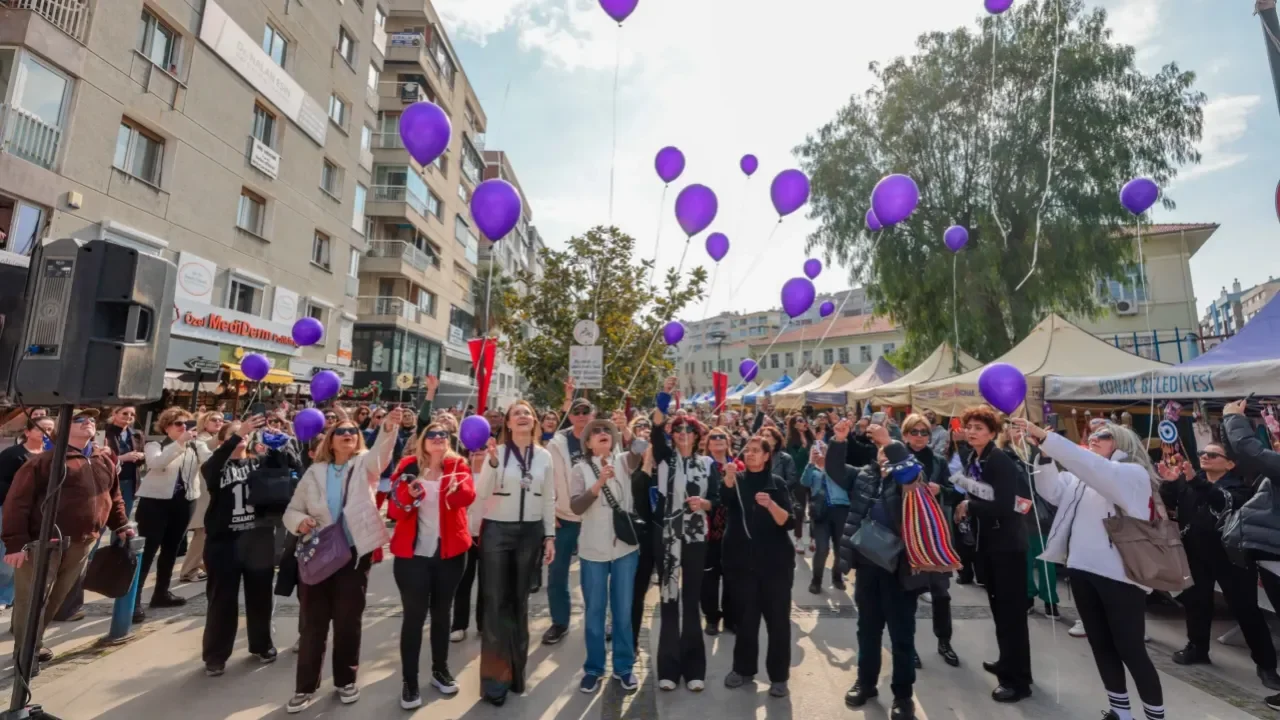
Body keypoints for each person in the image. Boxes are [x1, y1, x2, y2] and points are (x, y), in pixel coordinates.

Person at [1014, 417, 1166, 720]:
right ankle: (1120, 712)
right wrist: (1044, 455)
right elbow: (1052, 491)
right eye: (1092, 435)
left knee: (1131, 650)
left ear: (1122, 443)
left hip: (1120, 576)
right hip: (1082, 569)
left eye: (1104, 435)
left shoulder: (1131, 473)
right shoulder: (1084, 476)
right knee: (1100, 645)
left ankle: (1155, 716)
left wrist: (1048, 439)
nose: (1094, 438)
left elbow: (1098, 470)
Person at [282, 408, 402, 713]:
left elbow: (381, 457)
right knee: (313, 625)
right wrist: (302, 522)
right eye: (341, 432)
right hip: (319, 555)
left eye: (353, 432)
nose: (348, 435)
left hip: (352, 554)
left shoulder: (364, 464)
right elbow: (291, 511)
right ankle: (304, 687)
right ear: (330, 441)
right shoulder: (314, 472)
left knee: (349, 622)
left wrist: (388, 429)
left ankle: (346, 680)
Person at [3, 409, 133, 670]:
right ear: (61, 429)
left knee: (57, 599)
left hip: (83, 541)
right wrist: (15, 543)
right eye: (79, 419)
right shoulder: (44, 462)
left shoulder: (102, 459)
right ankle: (24, 654)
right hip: (44, 542)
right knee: (32, 599)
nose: (89, 423)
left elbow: (113, 495)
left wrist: (120, 524)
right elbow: (17, 503)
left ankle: (34, 643)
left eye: (92, 420)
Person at [1158, 442, 1279, 686]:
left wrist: (1193, 482)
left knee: (1246, 610)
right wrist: (1170, 482)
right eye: (1202, 453)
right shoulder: (1192, 480)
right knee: (1196, 603)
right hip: (1196, 553)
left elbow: (1223, 501)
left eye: (1212, 455)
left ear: (1230, 463)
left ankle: (1266, 666)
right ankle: (1197, 648)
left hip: (1232, 557)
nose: (1205, 457)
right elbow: (1170, 502)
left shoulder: (1241, 488)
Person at [832, 421, 925, 720]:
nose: (884, 453)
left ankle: (903, 696)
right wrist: (839, 439)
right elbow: (834, 470)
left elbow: (911, 472)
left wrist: (889, 443)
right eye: (881, 449)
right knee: (868, 630)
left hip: (900, 567)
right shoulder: (863, 475)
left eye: (890, 448)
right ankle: (866, 683)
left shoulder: (909, 475)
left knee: (901, 635)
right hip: (868, 565)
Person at [386, 422, 477, 708]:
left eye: (444, 435)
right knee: (414, 617)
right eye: (433, 435)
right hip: (412, 557)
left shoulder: (458, 466)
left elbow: (468, 498)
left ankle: (440, 670)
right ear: (424, 441)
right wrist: (407, 495)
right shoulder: (408, 467)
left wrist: (455, 489)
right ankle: (409, 682)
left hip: (449, 554)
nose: (439, 439)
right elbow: (393, 509)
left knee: (442, 614)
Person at [474, 400, 556, 706]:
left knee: (519, 605)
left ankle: (517, 674)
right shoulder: (497, 452)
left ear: (534, 422)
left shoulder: (544, 456)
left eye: (528, 413)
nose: (523, 417)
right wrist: (491, 465)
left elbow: (549, 498)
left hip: (530, 534)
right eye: (516, 413)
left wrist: (550, 536)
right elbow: (482, 493)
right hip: (497, 532)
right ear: (508, 423)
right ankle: (495, 682)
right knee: (496, 606)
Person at [952, 406, 1031, 703]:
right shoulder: (976, 458)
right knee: (1000, 612)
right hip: (990, 545)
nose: (972, 431)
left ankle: (1017, 682)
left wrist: (970, 506)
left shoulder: (1000, 461)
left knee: (1011, 615)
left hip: (1008, 546)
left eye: (979, 428)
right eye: (969, 426)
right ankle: (1010, 663)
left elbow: (1002, 503)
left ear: (993, 433)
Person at [200, 416, 283, 675]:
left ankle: (261, 644)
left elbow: (284, 474)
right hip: (224, 542)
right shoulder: (216, 467)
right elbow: (211, 468)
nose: (243, 436)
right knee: (222, 600)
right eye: (235, 434)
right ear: (224, 441)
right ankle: (216, 655)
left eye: (246, 433)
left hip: (257, 540)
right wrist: (237, 435)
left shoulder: (258, 461)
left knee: (260, 597)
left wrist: (278, 441)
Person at [649, 376, 716, 692]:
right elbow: (655, 427)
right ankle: (668, 668)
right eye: (678, 430)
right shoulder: (665, 458)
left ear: (697, 434)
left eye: (689, 429)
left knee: (691, 603)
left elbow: (716, 499)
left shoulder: (707, 464)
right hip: (669, 539)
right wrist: (663, 395)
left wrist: (704, 503)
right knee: (669, 600)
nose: (684, 434)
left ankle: (694, 669)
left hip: (696, 540)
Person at [568, 418, 641, 693]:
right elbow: (576, 507)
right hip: (592, 552)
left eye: (606, 432)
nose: (602, 434)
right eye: (595, 432)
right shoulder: (579, 469)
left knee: (622, 612)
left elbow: (639, 450)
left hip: (624, 550)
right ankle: (594, 668)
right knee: (595, 612)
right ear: (587, 443)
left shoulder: (624, 461)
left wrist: (626, 429)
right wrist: (598, 482)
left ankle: (623, 668)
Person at [721, 435, 795, 698]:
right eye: (748, 450)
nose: (750, 454)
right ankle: (743, 669)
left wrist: (771, 504)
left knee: (778, 623)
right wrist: (728, 478)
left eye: (756, 451)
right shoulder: (737, 482)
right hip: (743, 565)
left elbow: (789, 522)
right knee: (746, 620)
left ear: (767, 456)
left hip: (776, 565)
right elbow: (725, 499)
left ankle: (778, 677)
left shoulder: (777, 484)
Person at [135, 408, 210, 622]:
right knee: (149, 551)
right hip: (155, 503)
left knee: (171, 549)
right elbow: (156, 464)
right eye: (178, 424)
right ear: (167, 426)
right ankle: (135, 600)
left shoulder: (194, 446)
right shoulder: (155, 445)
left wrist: (199, 443)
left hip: (185, 502)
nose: (184, 428)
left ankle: (161, 592)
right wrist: (180, 443)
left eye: (188, 424)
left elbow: (210, 462)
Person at [544, 382, 592, 646]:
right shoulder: (558, 443)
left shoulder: (604, 437)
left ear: (593, 415)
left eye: (587, 412)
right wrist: (550, 514)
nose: (582, 416)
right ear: (571, 415)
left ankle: (598, 621)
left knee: (596, 576)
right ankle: (559, 622)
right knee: (557, 573)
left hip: (595, 520)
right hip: (563, 518)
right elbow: (548, 481)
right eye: (577, 411)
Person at [0, 417, 55, 608]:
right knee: (7, 556)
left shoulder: (52, 455)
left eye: (50, 429)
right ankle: (3, 597)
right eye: (41, 428)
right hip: (11, 511)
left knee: (29, 556)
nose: (46, 432)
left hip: (39, 514)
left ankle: (16, 596)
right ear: (27, 432)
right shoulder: (12, 455)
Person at [701, 425, 742, 636]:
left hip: (733, 529)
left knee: (732, 576)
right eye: (713, 437)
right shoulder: (701, 466)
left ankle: (731, 616)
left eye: (722, 437)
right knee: (709, 577)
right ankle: (710, 617)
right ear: (707, 444)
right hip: (708, 530)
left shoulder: (739, 465)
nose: (717, 439)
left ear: (728, 443)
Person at [182, 411, 226, 583]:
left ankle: (203, 565)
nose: (218, 422)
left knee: (209, 533)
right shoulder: (199, 439)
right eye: (214, 419)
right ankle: (188, 570)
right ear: (204, 422)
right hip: (202, 493)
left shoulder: (215, 438)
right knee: (201, 533)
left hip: (213, 492)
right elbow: (207, 448)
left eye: (221, 420)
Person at [801, 440, 850, 595]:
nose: (821, 451)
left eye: (824, 448)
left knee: (839, 549)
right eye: (817, 448)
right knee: (822, 549)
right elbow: (804, 482)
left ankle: (837, 577)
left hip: (841, 511)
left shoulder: (840, 468)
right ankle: (816, 581)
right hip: (821, 513)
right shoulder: (813, 470)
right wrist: (811, 462)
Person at [629, 416, 659, 647]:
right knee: (635, 594)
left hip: (667, 538)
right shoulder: (633, 470)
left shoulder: (670, 469)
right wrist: (647, 461)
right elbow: (638, 489)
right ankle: (631, 640)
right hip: (642, 539)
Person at [103, 406, 145, 515]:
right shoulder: (104, 433)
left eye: (132, 414)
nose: (129, 416)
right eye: (125, 413)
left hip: (129, 482)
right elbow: (98, 457)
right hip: (108, 481)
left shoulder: (137, 434)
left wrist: (142, 455)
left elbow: (143, 456)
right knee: (102, 519)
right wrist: (122, 458)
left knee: (123, 520)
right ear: (114, 414)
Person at [785, 414, 816, 554]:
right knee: (800, 509)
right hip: (800, 478)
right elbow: (795, 460)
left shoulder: (811, 438)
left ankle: (813, 538)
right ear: (794, 424)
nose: (804, 422)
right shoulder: (791, 442)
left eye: (805, 420)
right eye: (800, 421)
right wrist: (804, 447)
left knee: (815, 508)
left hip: (814, 476)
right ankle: (798, 538)